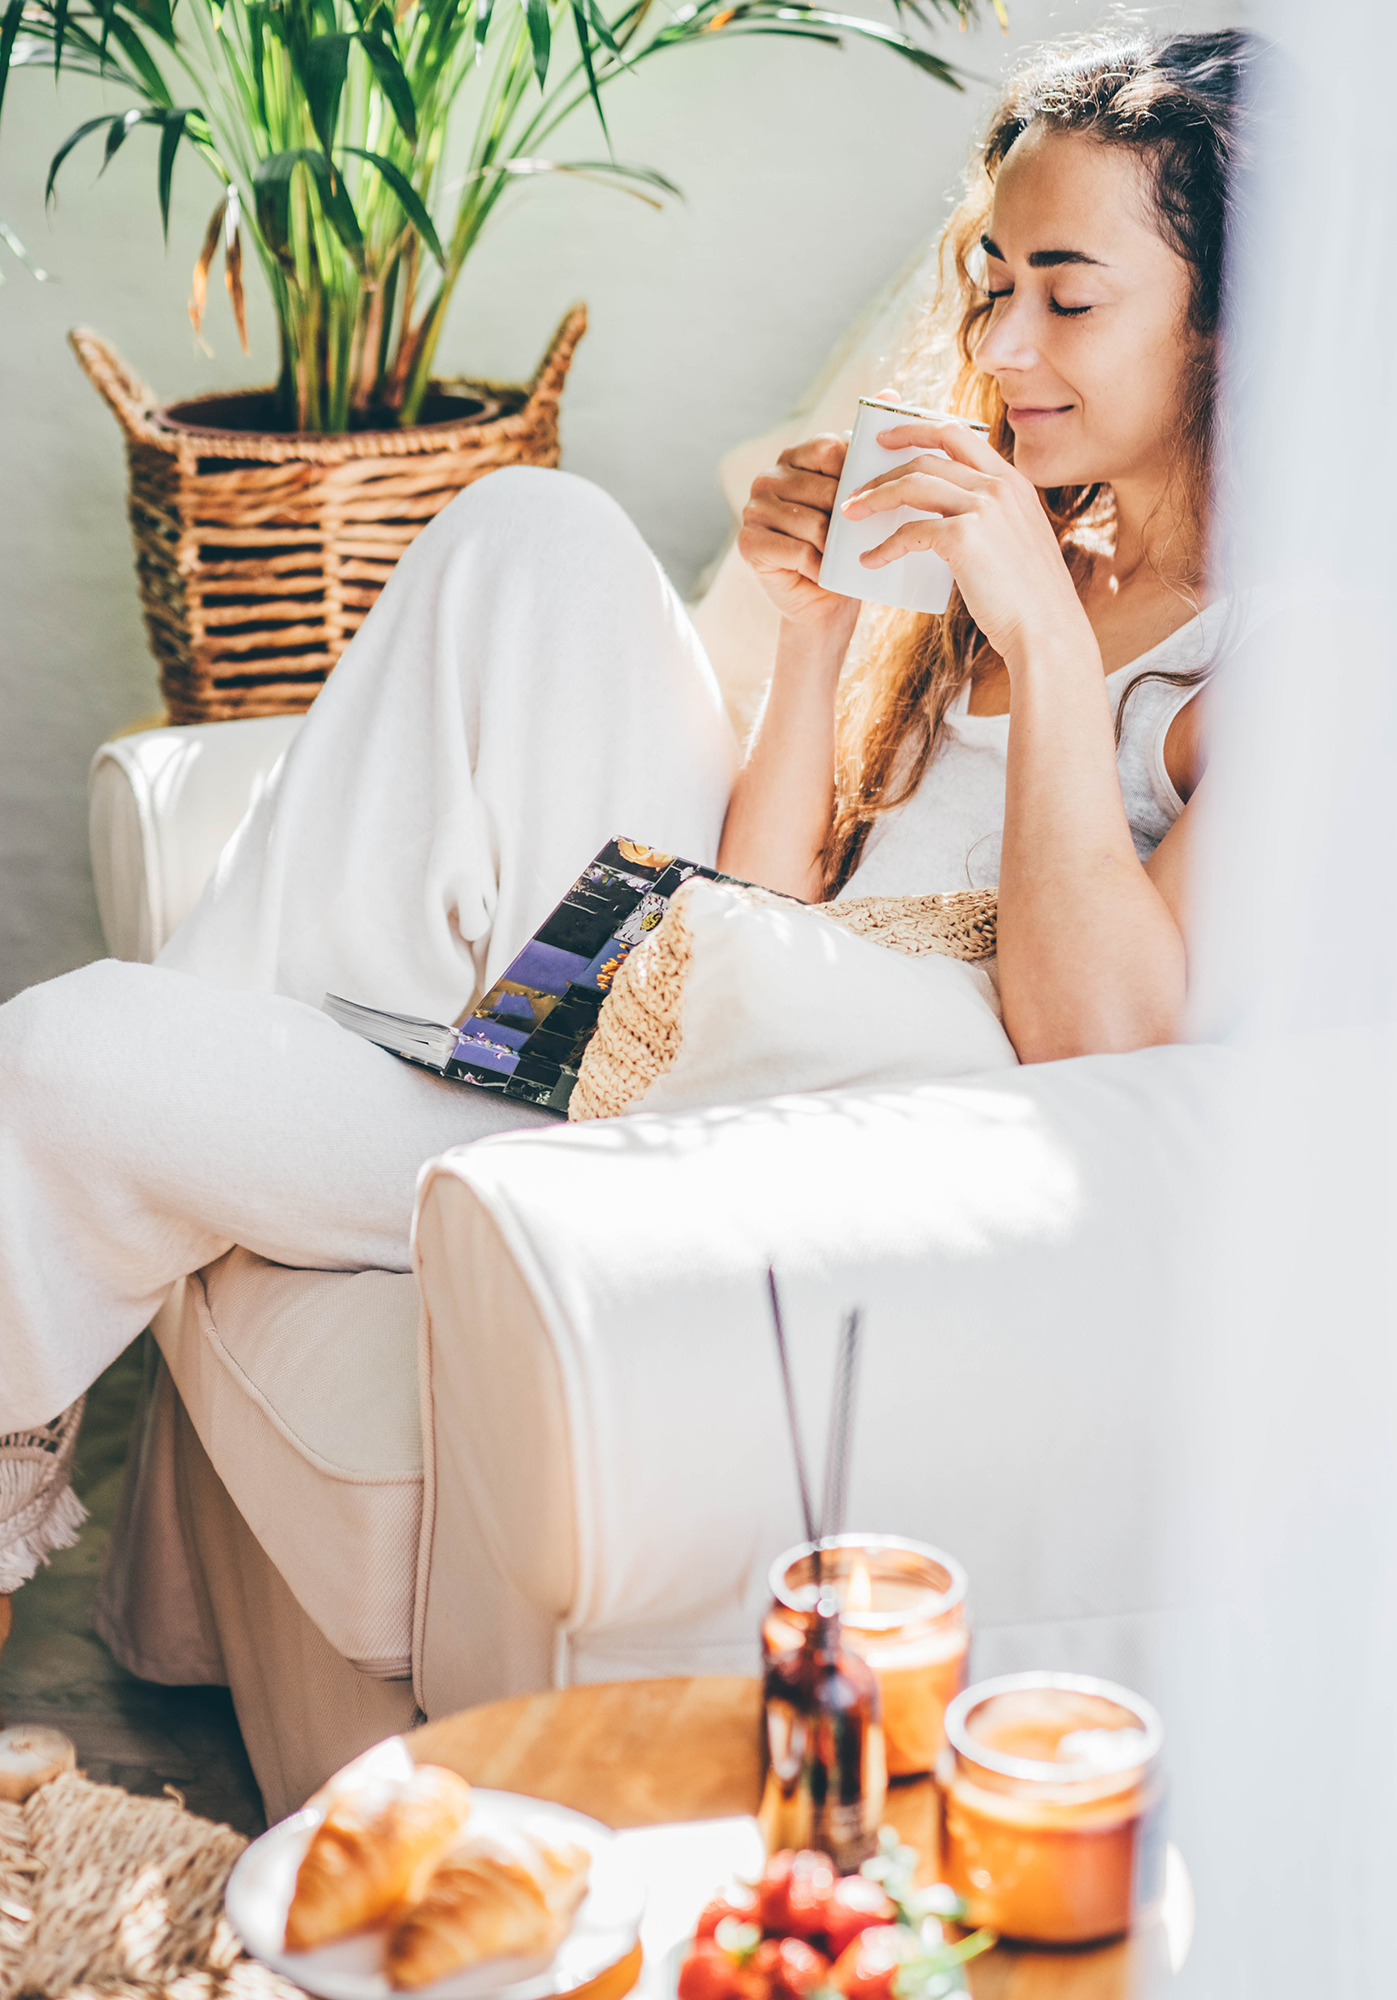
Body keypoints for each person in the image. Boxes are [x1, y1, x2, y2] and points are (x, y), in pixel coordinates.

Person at [0, 30, 1259, 1622]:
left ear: (1237, 328)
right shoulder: (1034, 554)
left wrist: (1051, 650)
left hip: (832, 1128)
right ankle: (407, 1060)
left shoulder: (1271, 656)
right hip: (728, 1022)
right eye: (988, 281)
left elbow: (1109, 1044)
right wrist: (812, 636)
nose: (1003, 343)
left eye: (1067, 298)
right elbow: (769, 901)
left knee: (70, 1062)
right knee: (529, 526)